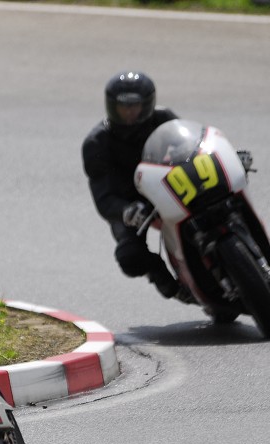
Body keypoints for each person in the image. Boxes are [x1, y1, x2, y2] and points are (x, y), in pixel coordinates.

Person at [81, 70, 184, 299]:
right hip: (133, 204)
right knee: (129, 256)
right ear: (112, 107)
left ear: (147, 104)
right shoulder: (97, 143)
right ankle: (159, 274)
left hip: (172, 187)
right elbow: (103, 197)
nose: (129, 113)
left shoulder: (164, 119)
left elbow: (191, 147)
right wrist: (125, 210)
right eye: (123, 107)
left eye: (135, 106)